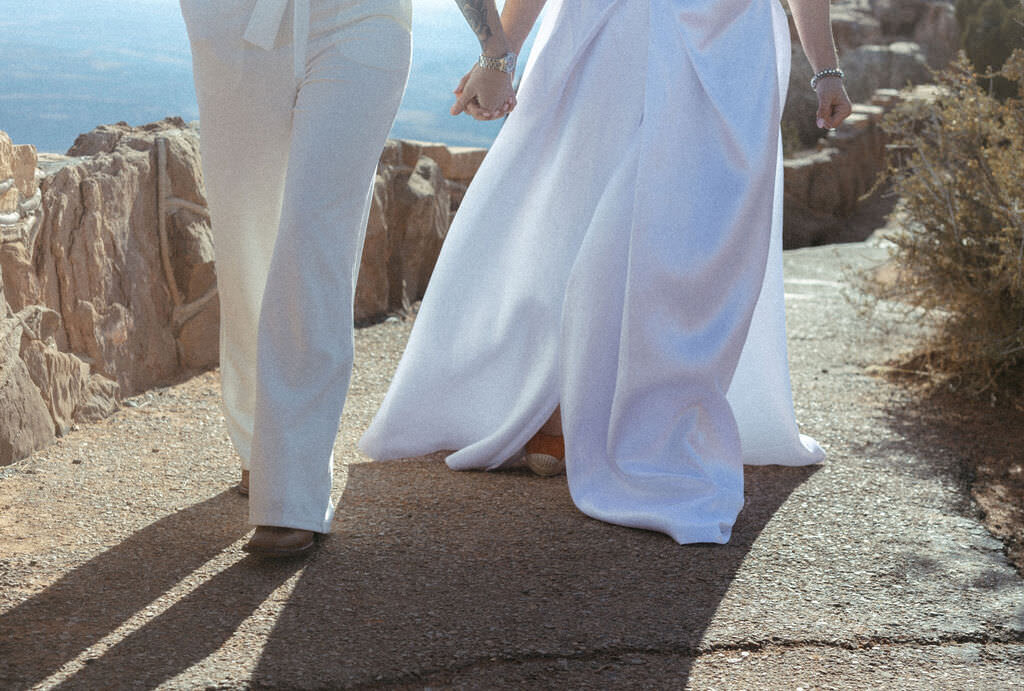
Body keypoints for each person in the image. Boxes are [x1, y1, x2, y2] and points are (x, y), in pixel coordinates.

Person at [360, 0, 853, 544]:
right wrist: (501, 55)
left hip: (731, 42)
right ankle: (555, 405)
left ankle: (663, 420)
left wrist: (826, 68)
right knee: (573, 215)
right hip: (612, 29)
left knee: (695, 240)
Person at [179, 0, 516, 557]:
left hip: (365, 22)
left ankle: (291, 490)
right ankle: (260, 443)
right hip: (234, 25)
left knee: (316, 239)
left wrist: (495, 50)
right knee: (248, 246)